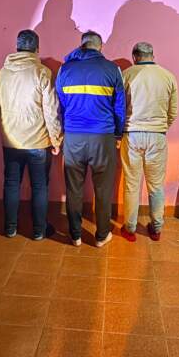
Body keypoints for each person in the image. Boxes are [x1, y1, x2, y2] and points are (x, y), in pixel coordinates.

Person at [55, 31, 125, 248]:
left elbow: (60, 104)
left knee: (73, 188)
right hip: (103, 137)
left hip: (73, 137)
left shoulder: (65, 69)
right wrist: (118, 134)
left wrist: (65, 129)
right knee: (103, 189)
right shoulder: (112, 69)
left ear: (81, 46)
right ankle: (102, 235)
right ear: (100, 47)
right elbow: (120, 107)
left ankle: (75, 235)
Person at [0, 29, 63, 240]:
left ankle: (10, 228)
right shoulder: (42, 72)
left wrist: (8, 126)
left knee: (11, 183)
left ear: (17, 47)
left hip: (10, 140)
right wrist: (56, 139)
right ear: (37, 48)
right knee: (40, 186)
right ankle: (39, 230)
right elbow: (51, 110)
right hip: (38, 141)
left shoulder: (2, 73)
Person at [119, 42, 178, 242]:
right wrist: (161, 127)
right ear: (153, 55)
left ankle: (130, 228)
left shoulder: (126, 75)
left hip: (132, 134)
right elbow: (173, 112)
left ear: (134, 57)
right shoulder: (168, 76)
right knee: (156, 185)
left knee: (132, 184)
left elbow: (119, 108)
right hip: (157, 135)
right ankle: (156, 228)